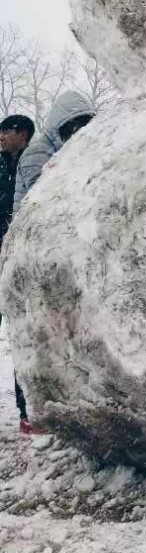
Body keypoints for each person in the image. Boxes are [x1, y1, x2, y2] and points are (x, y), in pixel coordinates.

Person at [0, 115, 36, 433]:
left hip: (19, 264)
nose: (0, 136)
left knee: (23, 335)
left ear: (22, 134)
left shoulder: (36, 164)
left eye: (6, 130)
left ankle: (28, 414)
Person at [12, 90, 95, 216]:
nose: (77, 132)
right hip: (35, 225)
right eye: (72, 126)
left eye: (84, 124)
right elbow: (38, 197)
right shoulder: (38, 151)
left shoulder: (68, 149)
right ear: (58, 125)